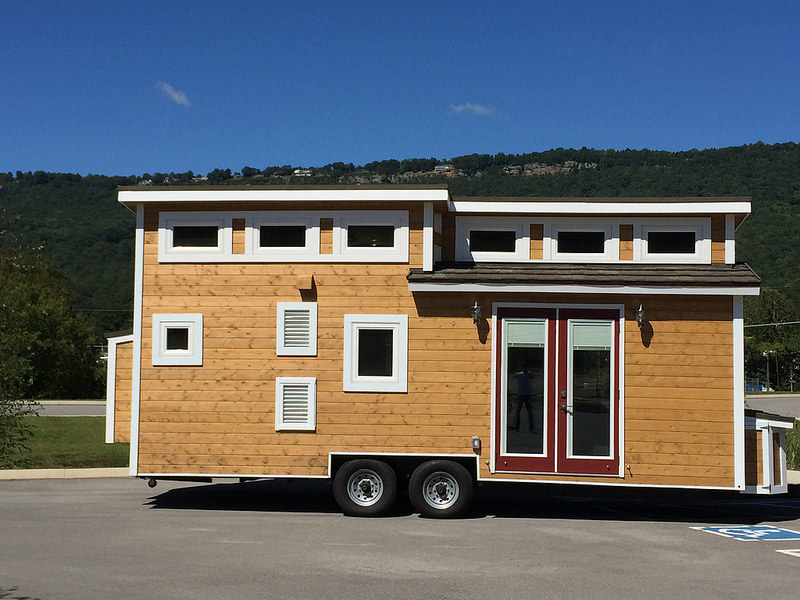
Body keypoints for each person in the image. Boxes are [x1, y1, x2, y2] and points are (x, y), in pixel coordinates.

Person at [511, 363, 536, 432]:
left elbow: (533, 377)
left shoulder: (528, 374)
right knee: (518, 411)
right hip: (521, 394)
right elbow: (514, 376)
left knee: (529, 411)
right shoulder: (519, 374)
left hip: (527, 394)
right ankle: (517, 426)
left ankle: (531, 427)